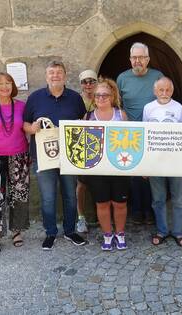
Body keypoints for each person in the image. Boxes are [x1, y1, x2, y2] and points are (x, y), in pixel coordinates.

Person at [23, 60, 87, 250]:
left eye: (59, 72)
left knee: (70, 195)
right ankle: (50, 232)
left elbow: (83, 122)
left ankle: (69, 231)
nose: (55, 76)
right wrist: (32, 128)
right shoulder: (35, 98)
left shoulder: (75, 98)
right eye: (51, 72)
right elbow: (25, 124)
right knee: (48, 197)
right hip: (44, 156)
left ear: (65, 76)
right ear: (46, 76)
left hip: (69, 155)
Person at [0, 72, 30, 255]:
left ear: (13, 86)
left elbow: (27, 128)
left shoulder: (22, 107)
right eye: (0, 83)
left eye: (8, 82)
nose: (4, 86)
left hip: (19, 156)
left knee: (19, 195)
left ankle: (17, 231)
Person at [117, 42, 163, 225]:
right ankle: (136, 210)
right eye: (134, 58)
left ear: (147, 59)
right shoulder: (122, 78)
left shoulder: (157, 76)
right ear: (130, 59)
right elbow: (117, 103)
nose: (137, 61)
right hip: (130, 131)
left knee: (151, 171)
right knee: (134, 171)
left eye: (141, 58)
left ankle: (151, 211)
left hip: (152, 131)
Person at [84, 78, 130, 251]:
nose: (101, 98)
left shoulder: (121, 115)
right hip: (97, 168)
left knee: (120, 203)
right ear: (93, 97)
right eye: (98, 95)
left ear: (112, 96)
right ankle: (107, 234)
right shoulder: (88, 117)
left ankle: (120, 233)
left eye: (105, 95)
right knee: (102, 203)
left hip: (120, 166)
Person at [143, 77, 182, 246]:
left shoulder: (178, 108)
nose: (164, 93)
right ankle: (161, 230)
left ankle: (178, 232)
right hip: (155, 161)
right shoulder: (148, 108)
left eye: (167, 90)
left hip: (176, 161)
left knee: (178, 199)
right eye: (161, 90)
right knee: (158, 199)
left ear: (172, 90)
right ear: (155, 91)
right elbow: (145, 135)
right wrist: (145, 165)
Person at [76, 70, 98, 233]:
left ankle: (101, 215)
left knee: (100, 181)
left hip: (98, 143)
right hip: (82, 144)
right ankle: (81, 217)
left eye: (91, 81)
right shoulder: (76, 100)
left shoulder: (102, 97)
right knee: (81, 184)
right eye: (85, 82)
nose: (88, 85)